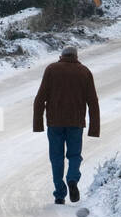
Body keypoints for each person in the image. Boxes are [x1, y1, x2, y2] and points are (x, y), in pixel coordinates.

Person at [32, 45, 100, 204]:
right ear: (76, 57)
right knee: (75, 155)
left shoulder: (51, 70)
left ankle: (60, 195)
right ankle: (72, 179)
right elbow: (93, 102)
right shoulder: (84, 72)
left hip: (54, 122)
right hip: (75, 123)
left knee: (56, 158)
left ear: (61, 56)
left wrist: (38, 124)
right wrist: (94, 128)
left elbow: (40, 98)